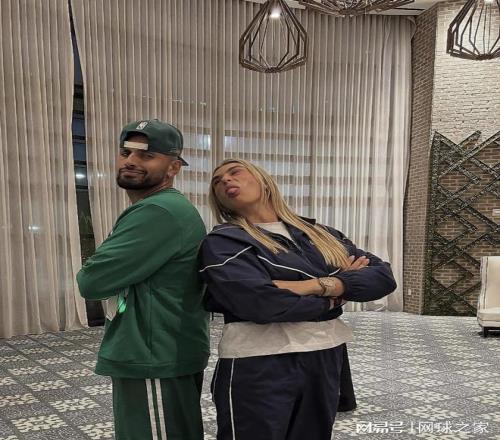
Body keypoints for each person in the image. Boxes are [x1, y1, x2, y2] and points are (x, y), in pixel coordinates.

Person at [199, 159, 397, 440]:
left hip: (325, 354)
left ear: (264, 180)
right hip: (257, 362)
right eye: (217, 181)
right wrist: (337, 295)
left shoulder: (321, 234)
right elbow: (259, 303)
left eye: (235, 172)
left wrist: (314, 286)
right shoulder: (225, 242)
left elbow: (382, 277)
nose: (225, 181)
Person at [77, 119, 209, 440]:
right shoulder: (159, 207)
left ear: (173, 167)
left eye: (147, 156)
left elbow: (91, 280)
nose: (131, 161)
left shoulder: (159, 212)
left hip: (153, 352)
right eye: (126, 153)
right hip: (156, 348)